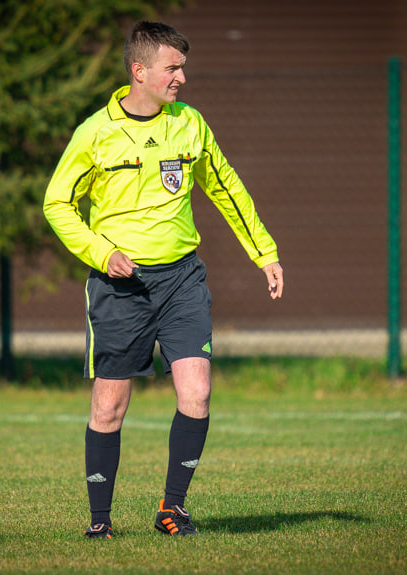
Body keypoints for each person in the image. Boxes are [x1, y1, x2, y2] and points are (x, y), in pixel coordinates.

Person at [44, 21, 283, 538]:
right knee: (110, 405)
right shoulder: (96, 133)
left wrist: (263, 253)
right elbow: (57, 204)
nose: (181, 78)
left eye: (183, 68)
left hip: (182, 281)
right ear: (140, 70)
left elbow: (228, 190)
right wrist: (101, 251)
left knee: (196, 392)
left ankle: (173, 509)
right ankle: (100, 522)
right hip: (119, 288)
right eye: (172, 68)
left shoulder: (189, 125)